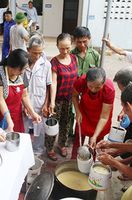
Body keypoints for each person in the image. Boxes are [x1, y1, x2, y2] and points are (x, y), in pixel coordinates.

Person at [0, 49, 41, 132]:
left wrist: (33, 113)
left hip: (16, 113)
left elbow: (25, 95)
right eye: (21, 69)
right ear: (12, 66)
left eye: (24, 68)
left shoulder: (22, 74)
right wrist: (9, 122)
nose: (23, 72)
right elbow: (0, 100)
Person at [46, 33, 78, 161]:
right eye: (61, 48)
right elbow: (53, 82)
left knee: (66, 123)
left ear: (71, 46)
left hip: (70, 99)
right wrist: (52, 102)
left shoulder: (74, 59)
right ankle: (49, 148)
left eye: (67, 48)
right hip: (58, 99)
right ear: (57, 46)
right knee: (53, 125)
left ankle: (61, 144)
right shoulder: (54, 62)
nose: (64, 51)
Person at [71, 68, 115, 158]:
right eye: (90, 86)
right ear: (86, 81)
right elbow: (74, 96)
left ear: (103, 83)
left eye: (98, 87)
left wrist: (94, 136)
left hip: (101, 116)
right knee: (78, 140)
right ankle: (74, 159)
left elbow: (104, 117)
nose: (93, 90)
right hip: (84, 113)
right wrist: (78, 111)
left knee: (95, 143)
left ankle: (91, 163)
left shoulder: (109, 89)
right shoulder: (81, 82)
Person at [24, 35, 51, 155]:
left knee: (39, 131)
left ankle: (38, 151)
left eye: (40, 53)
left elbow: (48, 86)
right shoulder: (22, 64)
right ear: (28, 50)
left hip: (39, 105)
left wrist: (46, 104)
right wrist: (23, 105)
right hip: (24, 105)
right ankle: (24, 151)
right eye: (34, 53)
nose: (37, 56)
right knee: (24, 130)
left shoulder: (46, 65)